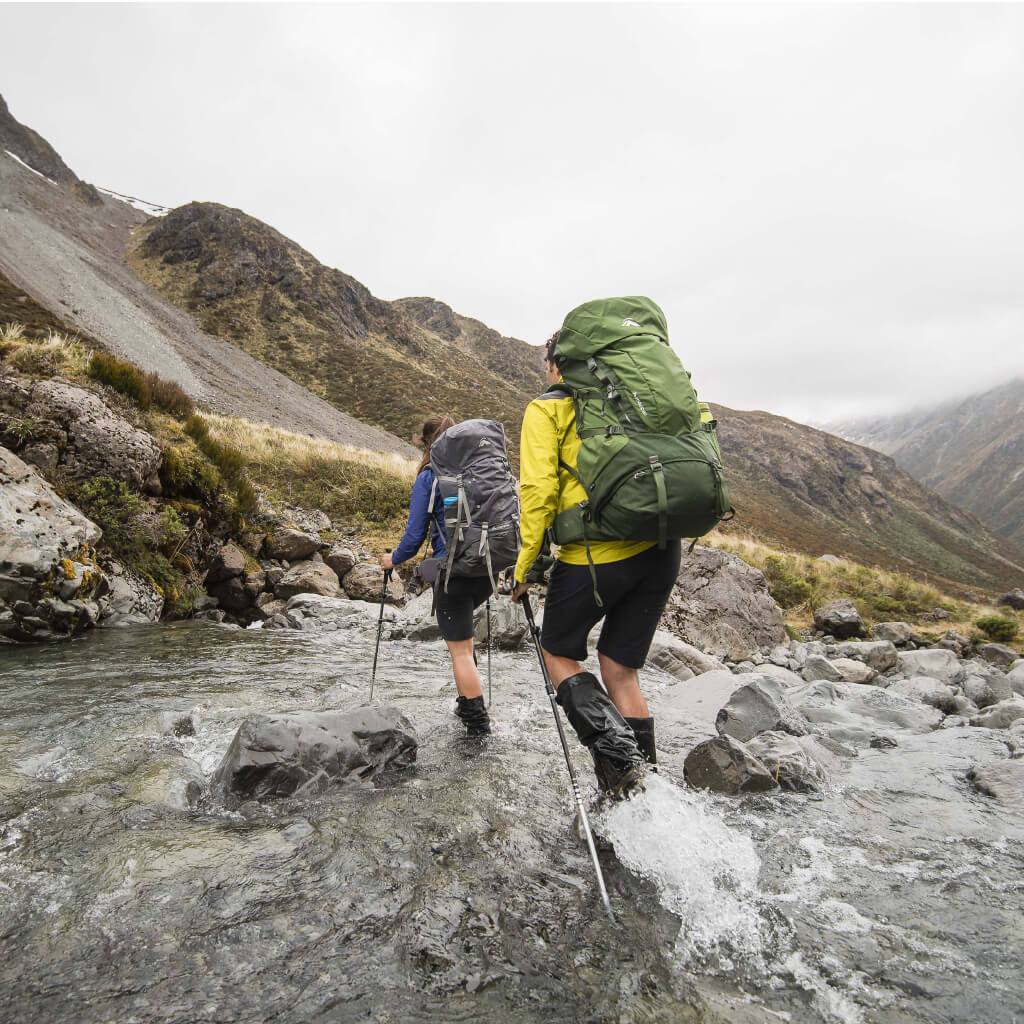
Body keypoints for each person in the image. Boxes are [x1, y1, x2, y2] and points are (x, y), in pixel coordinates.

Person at [511, 334, 682, 798]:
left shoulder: (548, 409)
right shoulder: (639, 402)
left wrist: (525, 567)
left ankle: (621, 768)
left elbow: (538, 493)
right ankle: (645, 797)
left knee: (558, 651)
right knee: (620, 669)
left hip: (597, 553)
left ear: (555, 366)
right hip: (664, 550)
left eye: (545, 365)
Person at [381, 414, 493, 738]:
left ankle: (478, 726)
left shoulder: (430, 476)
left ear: (427, 444)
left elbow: (415, 535)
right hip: (485, 570)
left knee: (459, 652)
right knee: (465, 643)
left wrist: (393, 560)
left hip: (453, 572)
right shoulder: (477, 471)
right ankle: (465, 702)